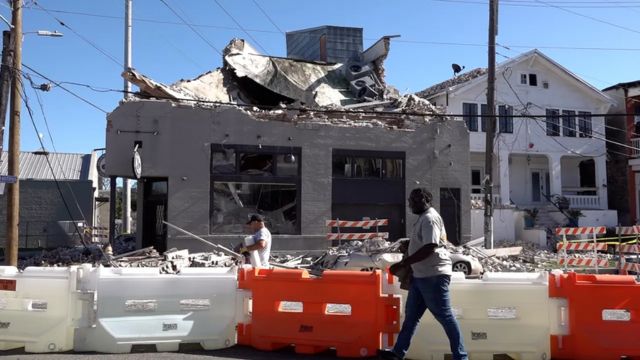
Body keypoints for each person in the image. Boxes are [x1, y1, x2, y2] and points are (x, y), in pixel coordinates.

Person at [380, 188, 468, 360]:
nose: (410, 203)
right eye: (410, 200)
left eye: (414, 200)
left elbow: (430, 246)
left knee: (445, 316)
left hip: (433, 276)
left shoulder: (429, 218)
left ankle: (461, 356)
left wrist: (404, 263)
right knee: (411, 317)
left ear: (425, 200)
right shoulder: (423, 218)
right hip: (422, 276)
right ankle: (397, 353)